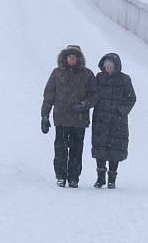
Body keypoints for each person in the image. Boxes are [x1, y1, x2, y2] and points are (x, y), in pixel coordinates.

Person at [41, 45, 98, 188]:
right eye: (70, 57)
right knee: (60, 149)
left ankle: (73, 178)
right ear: (65, 58)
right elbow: (49, 95)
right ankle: (60, 176)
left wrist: (84, 105)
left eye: (75, 57)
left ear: (79, 58)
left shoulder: (87, 74)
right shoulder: (57, 73)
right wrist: (44, 116)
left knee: (76, 150)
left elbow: (94, 95)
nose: (72, 59)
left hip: (79, 120)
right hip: (61, 119)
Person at [91, 53, 136, 189]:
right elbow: (92, 94)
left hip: (118, 121)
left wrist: (121, 111)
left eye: (111, 67)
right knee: (100, 147)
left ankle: (112, 179)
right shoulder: (98, 78)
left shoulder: (124, 80)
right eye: (106, 67)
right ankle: (100, 178)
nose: (109, 69)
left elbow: (131, 98)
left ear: (116, 67)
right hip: (100, 119)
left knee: (115, 149)